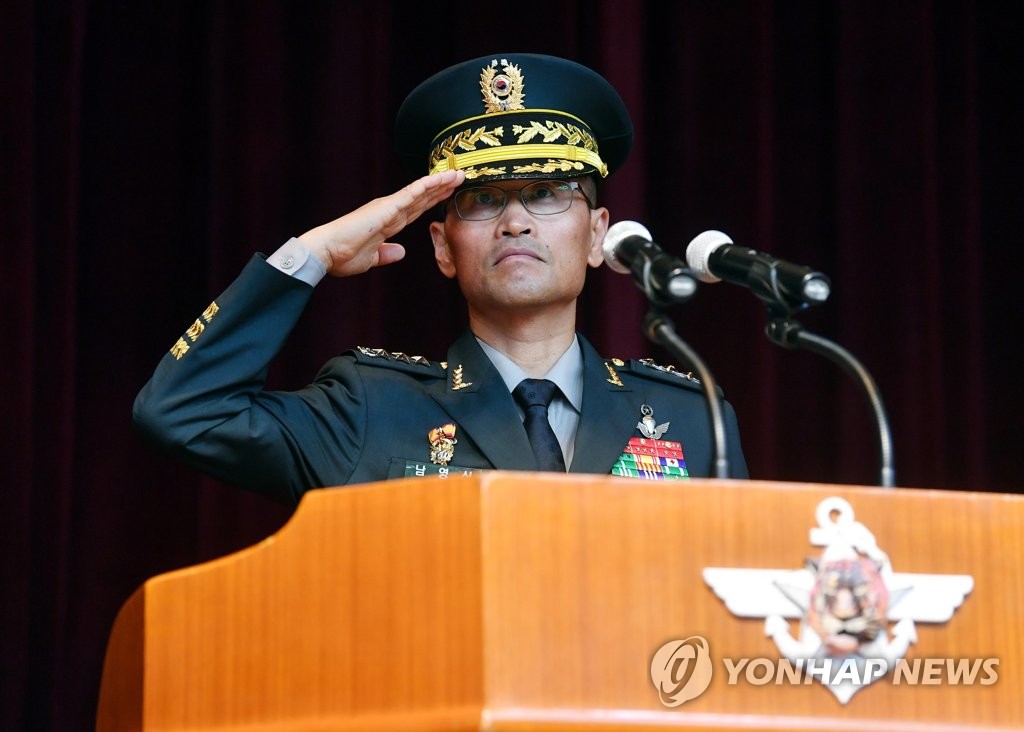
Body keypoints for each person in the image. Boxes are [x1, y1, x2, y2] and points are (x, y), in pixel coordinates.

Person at [133, 52, 747, 505]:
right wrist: (314, 253)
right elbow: (183, 413)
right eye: (482, 200)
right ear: (442, 246)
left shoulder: (692, 416)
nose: (514, 222)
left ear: (595, 235)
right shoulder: (370, 408)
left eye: (545, 193)